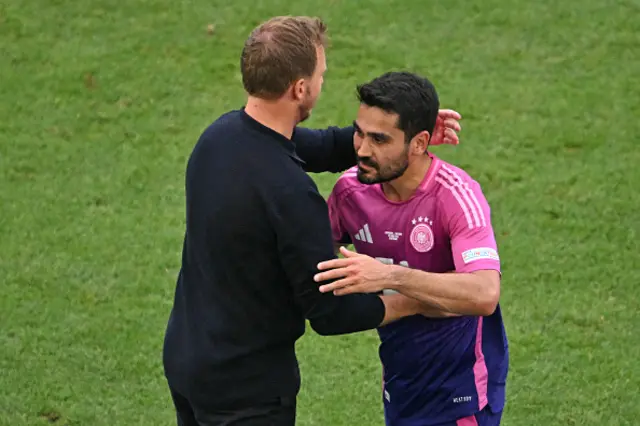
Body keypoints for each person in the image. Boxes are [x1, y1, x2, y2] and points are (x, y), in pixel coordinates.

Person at [162, 17, 463, 426]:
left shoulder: (219, 138)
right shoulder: (291, 193)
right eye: (321, 74)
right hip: (247, 394)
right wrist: (417, 301)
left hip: (187, 362)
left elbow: (316, 146)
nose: (323, 82)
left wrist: (400, 134)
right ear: (300, 88)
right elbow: (329, 313)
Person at [315, 71, 508, 426]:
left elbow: (484, 293)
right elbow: (316, 266)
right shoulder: (349, 193)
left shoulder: (455, 196)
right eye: (359, 132)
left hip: (462, 391)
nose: (361, 149)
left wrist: (389, 276)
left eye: (379, 139)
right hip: (401, 380)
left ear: (419, 143)